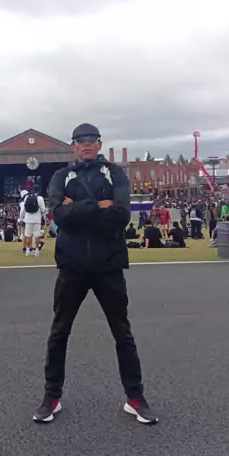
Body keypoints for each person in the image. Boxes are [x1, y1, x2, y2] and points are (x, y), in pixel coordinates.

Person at [33, 123, 157, 425]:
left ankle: (135, 397)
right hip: (72, 266)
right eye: (80, 140)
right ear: (73, 145)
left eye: (91, 139)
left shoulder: (115, 174)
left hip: (108, 265)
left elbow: (121, 215)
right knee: (59, 332)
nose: (86, 144)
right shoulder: (61, 176)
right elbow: (59, 216)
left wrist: (77, 208)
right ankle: (51, 396)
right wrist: (98, 205)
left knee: (122, 333)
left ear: (99, 144)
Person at [19, 187, 46, 256]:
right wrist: (43, 216)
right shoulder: (40, 198)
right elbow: (43, 209)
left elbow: (23, 210)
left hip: (28, 219)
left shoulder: (26, 198)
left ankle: (28, 251)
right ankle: (36, 251)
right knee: (37, 236)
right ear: (38, 192)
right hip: (37, 219)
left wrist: (21, 218)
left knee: (28, 235)